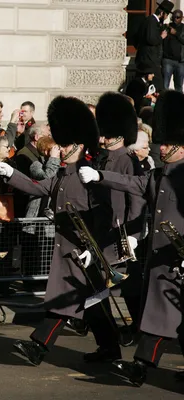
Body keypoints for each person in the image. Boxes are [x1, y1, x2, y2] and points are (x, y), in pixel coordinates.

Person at [0, 95, 120, 366]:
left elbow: (103, 217)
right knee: (93, 302)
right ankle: (110, 348)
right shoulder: (64, 174)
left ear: (79, 145)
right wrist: (11, 175)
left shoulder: (89, 175)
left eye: (65, 145)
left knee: (65, 302)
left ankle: (38, 346)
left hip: (82, 251)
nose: (60, 149)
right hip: (67, 249)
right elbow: (39, 188)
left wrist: (93, 249)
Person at [78, 90, 184, 386]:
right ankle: (139, 367)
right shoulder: (159, 175)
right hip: (162, 260)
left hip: (180, 259)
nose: (160, 150)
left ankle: (140, 366)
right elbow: (132, 183)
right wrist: (100, 177)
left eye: (167, 145)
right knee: (160, 319)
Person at [94, 92, 147, 334]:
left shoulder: (127, 159)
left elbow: (135, 196)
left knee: (130, 284)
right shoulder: (105, 159)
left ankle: (140, 326)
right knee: (108, 282)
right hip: (106, 228)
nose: (102, 137)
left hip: (122, 230)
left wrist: (133, 234)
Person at [134, 0, 174, 92]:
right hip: (149, 61)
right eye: (167, 14)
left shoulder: (150, 21)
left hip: (146, 60)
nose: (167, 17)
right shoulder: (151, 21)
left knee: (145, 87)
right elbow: (151, 39)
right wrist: (161, 37)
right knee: (157, 87)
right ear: (162, 13)